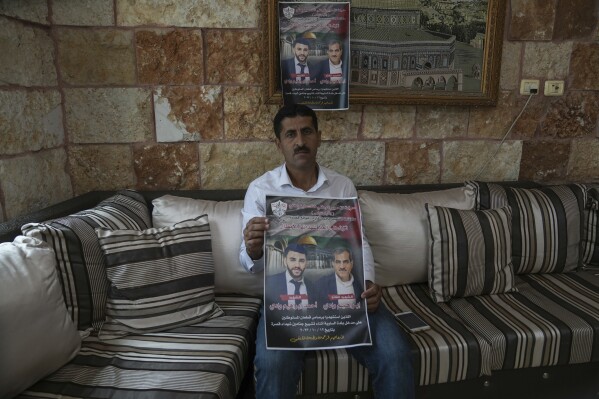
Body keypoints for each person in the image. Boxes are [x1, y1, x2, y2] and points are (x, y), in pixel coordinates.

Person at [239, 103, 415, 399]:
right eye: (290, 134)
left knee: (395, 355)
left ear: (319, 137)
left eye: (307, 132)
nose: (300, 141)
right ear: (279, 143)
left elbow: (360, 244)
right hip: (285, 303)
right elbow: (248, 263)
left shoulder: (342, 186)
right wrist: (253, 249)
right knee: (273, 364)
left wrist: (369, 283)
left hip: (347, 296)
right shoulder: (260, 191)